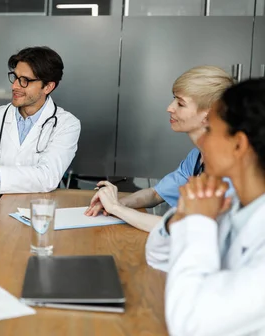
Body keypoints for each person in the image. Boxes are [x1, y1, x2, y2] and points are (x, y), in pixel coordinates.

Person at [145, 78, 265, 336]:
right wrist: (182, 216)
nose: (202, 142)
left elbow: (192, 324)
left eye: (210, 130)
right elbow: (156, 256)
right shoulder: (235, 206)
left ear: (238, 145)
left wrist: (199, 221)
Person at [85, 66, 234, 232]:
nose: (170, 108)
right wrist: (117, 203)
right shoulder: (196, 157)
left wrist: (117, 209)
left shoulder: (230, 170)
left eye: (180, 103)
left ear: (210, 114)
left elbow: (185, 229)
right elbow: (156, 194)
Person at [0, 46, 81, 194]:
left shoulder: (67, 124)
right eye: (15, 77)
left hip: (36, 209)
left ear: (48, 87)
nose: (15, 86)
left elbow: (47, 178)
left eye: (25, 81)